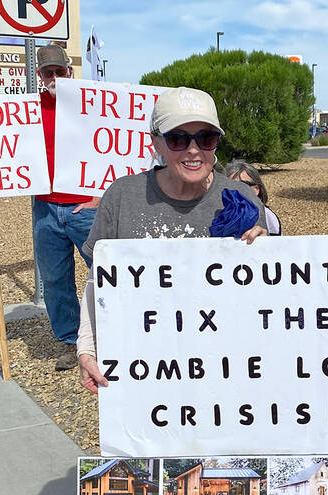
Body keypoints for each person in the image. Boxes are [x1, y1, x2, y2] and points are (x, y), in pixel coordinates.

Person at [77, 85, 266, 394]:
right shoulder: (123, 196)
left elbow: (266, 294)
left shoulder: (240, 198)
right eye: (178, 138)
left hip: (225, 370)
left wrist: (268, 251)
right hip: (145, 369)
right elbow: (97, 282)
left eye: (206, 138)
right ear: (157, 143)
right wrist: (87, 349)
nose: (194, 150)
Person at [32, 43, 98, 371]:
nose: (55, 77)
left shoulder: (92, 106)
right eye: (49, 72)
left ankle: (116, 332)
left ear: (70, 71)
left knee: (106, 270)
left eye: (60, 71)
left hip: (85, 207)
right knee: (55, 277)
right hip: (45, 207)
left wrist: (100, 197)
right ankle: (72, 342)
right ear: (39, 75)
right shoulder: (28, 108)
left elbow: (115, 149)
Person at [225, 160, 282, 234]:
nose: (235, 190)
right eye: (229, 185)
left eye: (242, 185)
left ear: (256, 189)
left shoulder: (267, 216)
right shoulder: (220, 213)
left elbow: (275, 243)